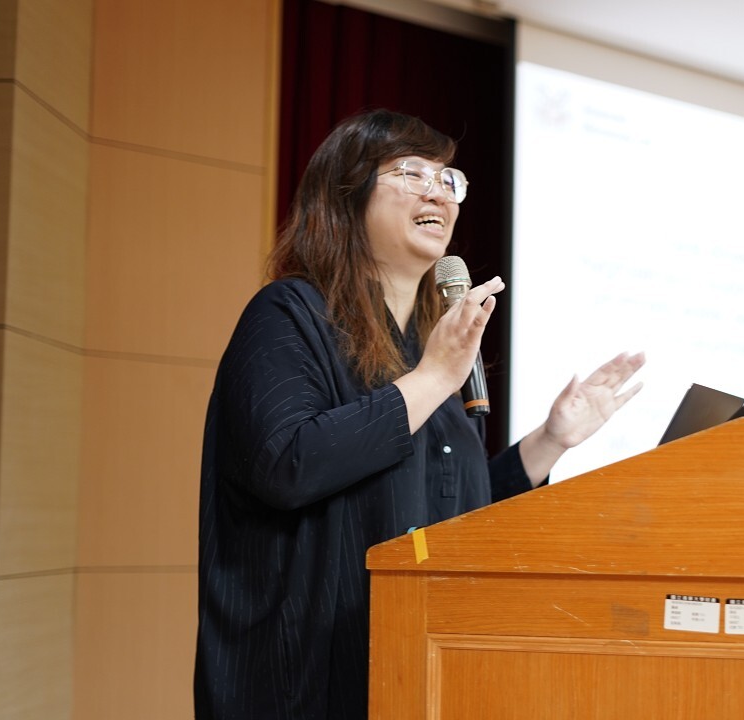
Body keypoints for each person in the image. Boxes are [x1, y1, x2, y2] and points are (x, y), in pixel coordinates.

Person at [193, 109, 644, 720]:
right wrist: (433, 378)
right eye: (412, 173)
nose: (438, 192)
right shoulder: (289, 314)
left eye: (448, 179)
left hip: (413, 668)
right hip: (304, 675)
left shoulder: (430, 347)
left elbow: (453, 513)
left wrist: (549, 441)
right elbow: (286, 465)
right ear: (347, 194)